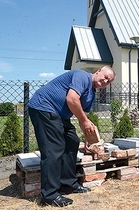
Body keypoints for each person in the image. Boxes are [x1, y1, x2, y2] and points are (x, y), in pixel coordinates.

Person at [28, 66, 115, 207]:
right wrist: (85, 121)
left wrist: (89, 138)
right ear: (98, 71)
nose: (105, 81)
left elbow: (82, 116)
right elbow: (72, 99)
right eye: (105, 76)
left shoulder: (91, 94)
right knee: (54, 149)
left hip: (59, 115)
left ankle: (68, 184)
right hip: (44, 107)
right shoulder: (82, 76)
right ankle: (49, 195)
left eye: (109, 81)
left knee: (72, 141)